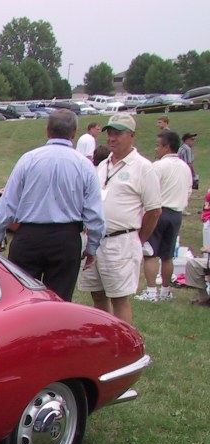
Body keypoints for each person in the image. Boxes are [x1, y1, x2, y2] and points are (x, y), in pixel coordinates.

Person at [0, 109, 105, 301]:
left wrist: (0, 234)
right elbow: (94, 213)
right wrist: (92, 247)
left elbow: (8, 202)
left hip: (28, 238)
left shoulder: (29, 159)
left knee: (21, 300)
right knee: (59, 304)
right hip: (65, 240)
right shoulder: (84, 165)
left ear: (47, 131)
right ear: (74, 132)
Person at [77, 113, 162, 326]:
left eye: (118, 134)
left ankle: (125, 342)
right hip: (95, 241)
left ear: (132, 135)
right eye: (110, 134)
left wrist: (138, 239)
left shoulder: (143, 167)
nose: (112, 138)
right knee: (97, 294)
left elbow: (154, 211)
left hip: (121, 241)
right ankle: (106, 338)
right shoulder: (103, 165)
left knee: (119, 297)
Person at [137, 130, 192, 301]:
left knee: (150, 253)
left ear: (166, 147)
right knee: (167, 255)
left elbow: (149, 189)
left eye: (157, 146)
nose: (155, 149)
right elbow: (189, 190)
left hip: (160, 211)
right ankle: (166, 290)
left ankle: (152, 292)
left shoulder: (158, 166)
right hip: (176, 213)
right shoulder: (185, 167)